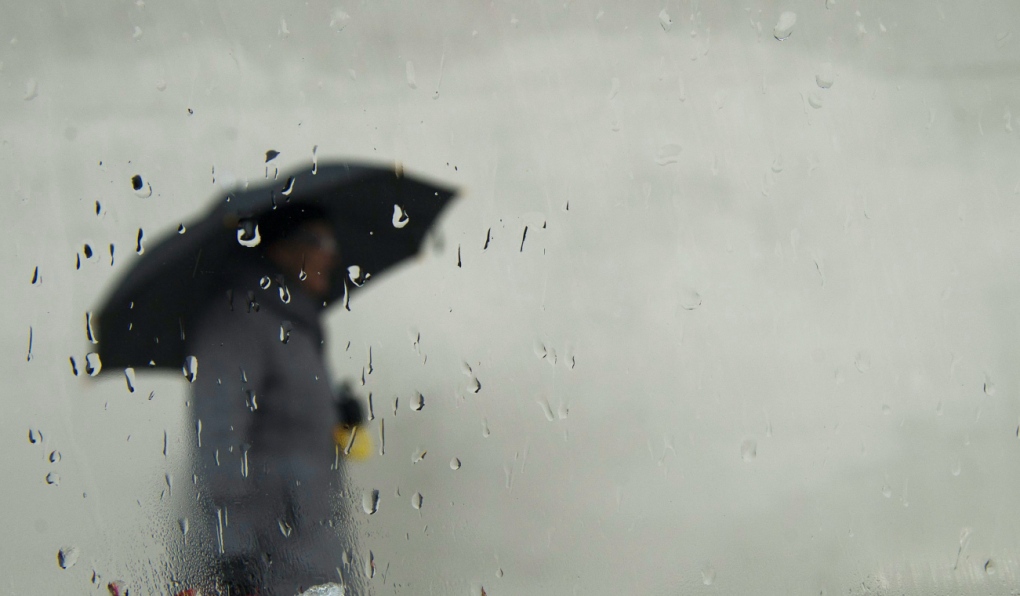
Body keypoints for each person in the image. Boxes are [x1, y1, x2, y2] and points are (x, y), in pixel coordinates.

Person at [184, 204, 363, 595]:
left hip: (311, 546)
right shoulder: (238, 318)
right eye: (319, 240)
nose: (330, 254)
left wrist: (339, 415)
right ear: (279, 246)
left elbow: (286, 427)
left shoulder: (294, 323)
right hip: (268, 558)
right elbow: (217, 437)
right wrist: (233, 551)